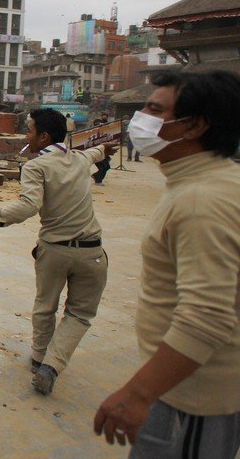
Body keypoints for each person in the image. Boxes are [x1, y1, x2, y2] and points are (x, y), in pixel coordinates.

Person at [94, 71, 240, 457]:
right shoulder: (211, 182)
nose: (141, 117)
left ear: (193, 126)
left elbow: (207, 315)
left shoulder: (201, 200)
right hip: (184, 384)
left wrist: (138, 393)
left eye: (154, 109)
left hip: (190, 396)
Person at [0, 108, 117, 395]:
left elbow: (28, 207)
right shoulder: (79, 158)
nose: (26, 135)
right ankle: (51, 366)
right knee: (79, 315)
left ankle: (40, 359)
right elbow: (95, 154)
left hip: (54, 251)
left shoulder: (35, 167)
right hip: (92, 252)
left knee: (45, 307)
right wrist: (104, 146)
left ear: (43, 136)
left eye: (29, 130)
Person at [93, 112, 112, 185]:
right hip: (97, 150)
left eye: (106, 116)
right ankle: (98, 181)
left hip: (104, 150)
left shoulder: (108, 125)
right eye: (103, 116)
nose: (104, 117)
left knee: (107, 166)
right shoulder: (96, 125)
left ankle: (96, 176)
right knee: (102, 166)